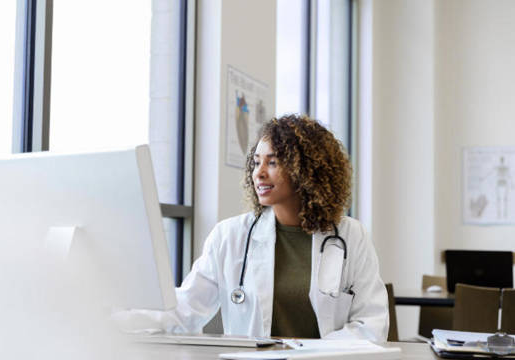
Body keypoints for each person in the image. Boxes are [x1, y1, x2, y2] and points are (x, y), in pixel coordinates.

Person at [116, 114, 388, 341]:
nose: (258, 172)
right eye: (256, 162)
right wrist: (115, 318)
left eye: (272, 162)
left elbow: (371, 323)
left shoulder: (351, 236)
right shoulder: (230, 236)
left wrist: (313, 354)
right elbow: (185, 309)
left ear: (305, 170)